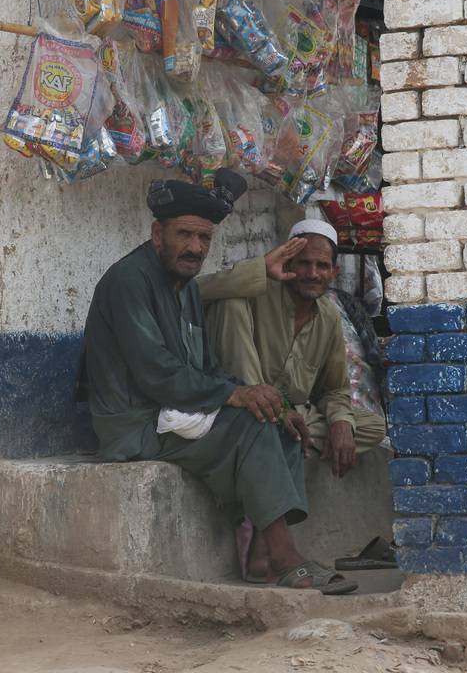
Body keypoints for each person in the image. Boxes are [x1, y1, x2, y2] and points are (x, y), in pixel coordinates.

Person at [83, 169, 356, 595]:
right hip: (137, 422)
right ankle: (287, 560)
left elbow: (207, 365)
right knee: (251, 428)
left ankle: (262, 558)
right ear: (159, 234)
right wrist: (235, 394)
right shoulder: (128, 282)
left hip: (174, 411)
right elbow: (157, 373)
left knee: (277, 422)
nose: (195, 248)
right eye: (185, 235)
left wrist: (268, 400)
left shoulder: (186, 286)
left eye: (204, 239)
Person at [197, 219, 387, 480]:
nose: (312, 274)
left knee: (372, 426)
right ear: (288, 264)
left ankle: (285, 436)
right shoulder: (253, 294)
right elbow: (194, 292)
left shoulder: (329, 316)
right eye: (304, 263)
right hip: (241, 405)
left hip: (293, 416)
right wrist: (261, 268)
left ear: (334, 272)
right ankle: (276, 430)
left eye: (322, 266)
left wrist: (341, 422)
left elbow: (334, 389)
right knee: (229, 302)